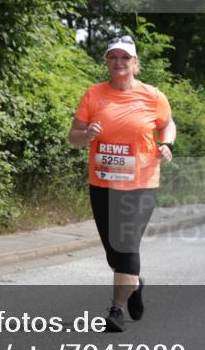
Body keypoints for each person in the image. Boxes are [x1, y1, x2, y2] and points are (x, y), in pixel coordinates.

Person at [69, 35, 176, 332]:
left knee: (126, 245)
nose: (119, 62)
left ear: (135, 63)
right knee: (113, 253)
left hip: (141, 182)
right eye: (113, 57)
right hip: (103, 183)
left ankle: (115, 309)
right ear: (106, 61)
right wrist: (87, 134)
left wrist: (166, 143)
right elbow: (73, 137)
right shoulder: (93, 95)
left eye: (125, 57)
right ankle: (134, 282)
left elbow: (167, 123)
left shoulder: (153, 96)